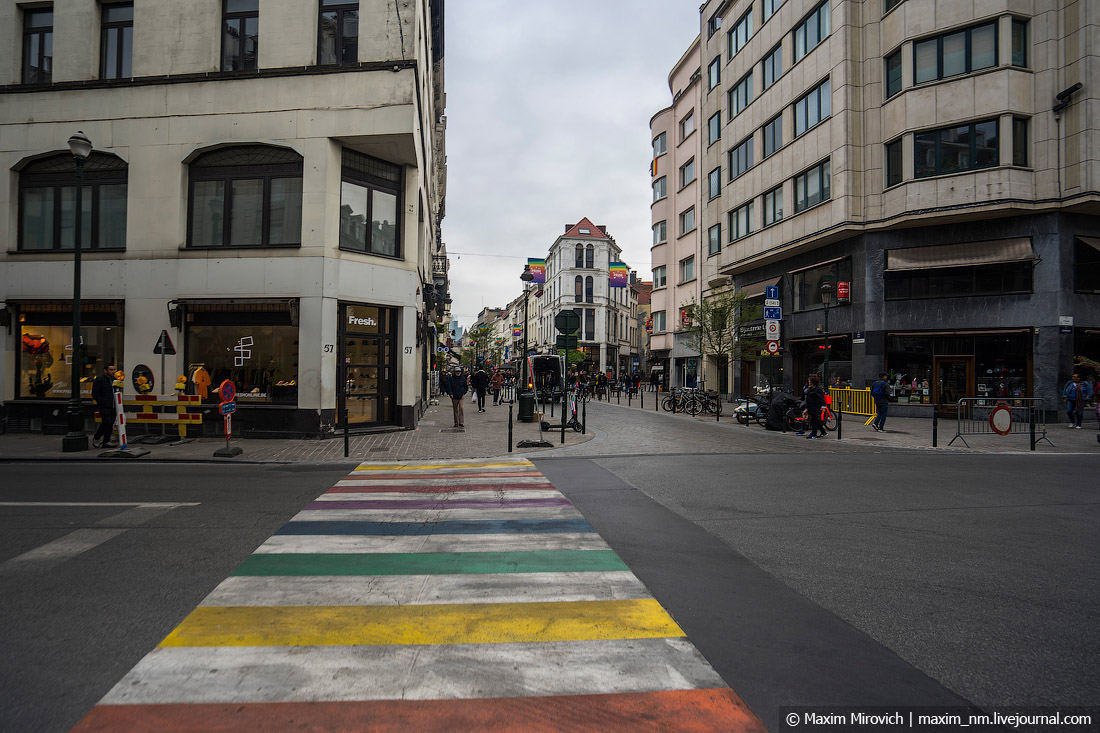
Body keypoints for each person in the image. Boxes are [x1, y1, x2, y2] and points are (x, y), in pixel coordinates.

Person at [91, 364, 118, 448]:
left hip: (113, 405)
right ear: (105, 370)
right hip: (104, 405)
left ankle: (106, 440)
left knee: (111, 423)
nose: (113, 371)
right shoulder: (99, 380)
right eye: (111, 370)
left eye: (114, 369)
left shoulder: (114, 380)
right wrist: (102, 402)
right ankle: (97, 437)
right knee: (107, 422)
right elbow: (95, 393)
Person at [805, 374, 826, 439]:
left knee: (814, 421)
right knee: (815, 420)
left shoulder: (817, 389)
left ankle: (814, 434)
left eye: (810, 381)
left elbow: (821, 398)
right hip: (811, 407)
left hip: (815, 407)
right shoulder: (810, 389)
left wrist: (823, 406)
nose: (809, 382)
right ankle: (822, 432)